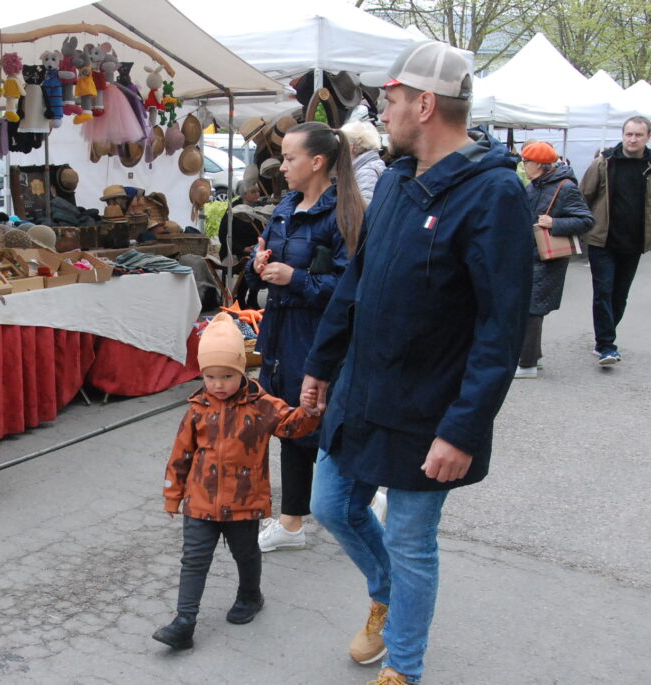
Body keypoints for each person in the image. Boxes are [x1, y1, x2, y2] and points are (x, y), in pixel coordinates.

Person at [301, 41, 533, 685]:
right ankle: (388, 594)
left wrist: (464, 429)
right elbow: (356, 282)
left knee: (410, 541)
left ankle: (404, 666)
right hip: (362, 391)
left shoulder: (495, 194)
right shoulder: (399, 180)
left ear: (425, 104)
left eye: (392, 99)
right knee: (331, 505)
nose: (384, 110)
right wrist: (322, 364)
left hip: (430, 408)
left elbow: (500, 329)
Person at [153, 312, 321, 650]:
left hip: (244, 502)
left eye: (227, 376)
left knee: (245, 554)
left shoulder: (262, 406)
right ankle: (184, 621)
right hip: (200, 503)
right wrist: (173, 495)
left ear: (242, 371)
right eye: (210, 376)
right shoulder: (197, 409)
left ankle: (250, 595)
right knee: (193, 559)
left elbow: (291, 426)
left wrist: (309, 411)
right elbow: (181, 455)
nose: (218, 384)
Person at [245, 121, 363, 553]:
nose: (282, 166)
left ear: (316, 162)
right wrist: (257, 264)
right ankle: (293, 522)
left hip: (318, 337)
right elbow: (265, 259)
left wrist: (295, 278)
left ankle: (352, 502)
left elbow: (352, 288)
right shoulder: (286, 205)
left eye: (289, 158)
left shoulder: (345, 214)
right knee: (289, 422)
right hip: (279, 332)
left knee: (316, 423)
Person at [580, 116, 651, 365]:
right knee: (603, 290)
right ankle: (607, 345)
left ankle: (604, 338)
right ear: (622, 134)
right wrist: (578, 229)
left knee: (619, 295)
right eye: (629, 134)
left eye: (638, 135)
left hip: (634, 241)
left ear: (648, 137)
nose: (632, 139)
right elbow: (583, 197)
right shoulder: (604, 162)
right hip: (602, 239)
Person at [516, 142, 594, 378]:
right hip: (532, 255)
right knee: (531, 308)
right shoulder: (536, 185)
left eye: (526, 161)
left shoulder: (565, 187)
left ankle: (527, 365)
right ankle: (534, 357)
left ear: (540, 163)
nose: (523, 165)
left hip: (548, 258)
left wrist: (555, 223)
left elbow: (586, 220)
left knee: (532, 310)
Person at [218, 181, 265, 309]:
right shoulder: (233, 210)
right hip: (233, 252)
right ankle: (240, 298)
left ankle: (252, 298)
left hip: (253, 250)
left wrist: (256, 247)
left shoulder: (259, 208)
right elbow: (223, 236)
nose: (257, 194)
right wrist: (242, 249)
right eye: (253, 192)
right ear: (244, 194)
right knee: (248, 263)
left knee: (263, 261)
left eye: (258, 191)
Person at [341, 120, 387, 205]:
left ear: (352, 147)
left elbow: (365, 208)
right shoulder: (368, 166)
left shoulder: (366, 173)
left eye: (341, 145)